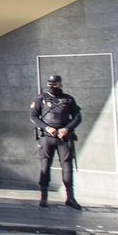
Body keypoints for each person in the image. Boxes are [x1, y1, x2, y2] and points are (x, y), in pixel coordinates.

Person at [31, 73, 83, 209]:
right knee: (45, 166)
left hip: (63, 137)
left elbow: (77, 117)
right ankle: (44, 197)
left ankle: (70, 197)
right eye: (50, 84)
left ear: (60, 85)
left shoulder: (68, 99)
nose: (52, 86)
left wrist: (66, 129)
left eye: (54, 84)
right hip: (47, 137)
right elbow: (34, 116)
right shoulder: (41, 99)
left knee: (66, 166)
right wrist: (47, 127)